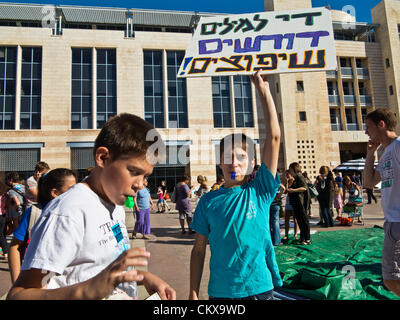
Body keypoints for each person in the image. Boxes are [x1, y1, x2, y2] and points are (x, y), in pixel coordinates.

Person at [7, 113, 176, 300]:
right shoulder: (67, 213)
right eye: (134, 171)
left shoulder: (115, 205)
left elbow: (102, 270)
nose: (140, 184)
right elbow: (18, 295)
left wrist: (143, 277)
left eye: (146, 177)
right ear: (103, 158)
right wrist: (87, 291)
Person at [189, 70, 282, 300]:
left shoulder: (259, 192)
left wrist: (264, 92)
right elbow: (199, 250)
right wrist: (192, 292)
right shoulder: (208, 202)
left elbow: (274, 137)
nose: (234, 162)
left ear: (252, 163)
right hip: (221, 293)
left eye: (241, 156)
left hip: (259, 289)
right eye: (227, 156)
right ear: (219, 162)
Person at [8, 168, 77, 284]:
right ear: (55, 193)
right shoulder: (35, 213)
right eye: (71, 189)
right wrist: (16, 283)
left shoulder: (76, 213)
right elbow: (14, 246)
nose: (76, 193)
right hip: (37, 283)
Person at [363, 108, 400, 297]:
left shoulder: (399, 146)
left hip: (398, 222)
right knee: (391, 278)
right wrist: (371, 153)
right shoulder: (386, 153)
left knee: (392, 278)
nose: (365, 132)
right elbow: (369, 182)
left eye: (368, 126)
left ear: (381, 124)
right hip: (391, 222)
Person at [287, 162, 311, 245]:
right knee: (300, 220)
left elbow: (304, 188)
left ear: (294, 169)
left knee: (304, 220)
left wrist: (293, 190)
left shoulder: (299, 176)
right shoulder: (294, 177)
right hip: (297, 202)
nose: (289, 171)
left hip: (301, 202)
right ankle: (302, 237)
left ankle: (307, 238)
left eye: (290, 169)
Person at [282, 171, 299, 243]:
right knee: (286, 220)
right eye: (286, 175)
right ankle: (286, 234)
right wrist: (286, 183)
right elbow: (285, 192)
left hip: (294, 203)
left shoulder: (295, 181)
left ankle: (295, 234)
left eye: (287, 174)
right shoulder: (287, 182)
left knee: (295, 220)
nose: (287, 176)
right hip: (288, 203)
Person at [0, 181, 10, 259]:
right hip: (3, 215)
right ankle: (5, 251)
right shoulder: (5, 195)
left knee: (1, 235)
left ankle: (6, 251)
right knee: (2, 234)